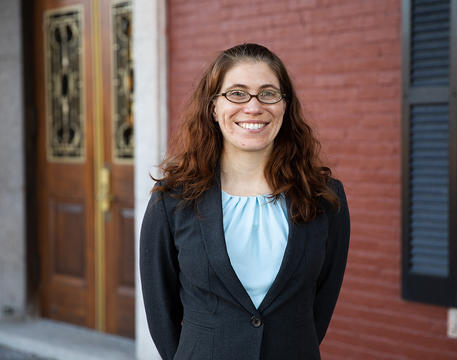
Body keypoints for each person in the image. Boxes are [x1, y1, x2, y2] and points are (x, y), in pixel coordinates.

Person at [140, 43, 350, 360]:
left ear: (285, 106)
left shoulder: (323, 197)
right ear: (213, 107)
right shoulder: (172, 200)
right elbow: (160, 310)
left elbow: (320, 305)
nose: (253, 107)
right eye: (237, 93)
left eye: (268, 93)